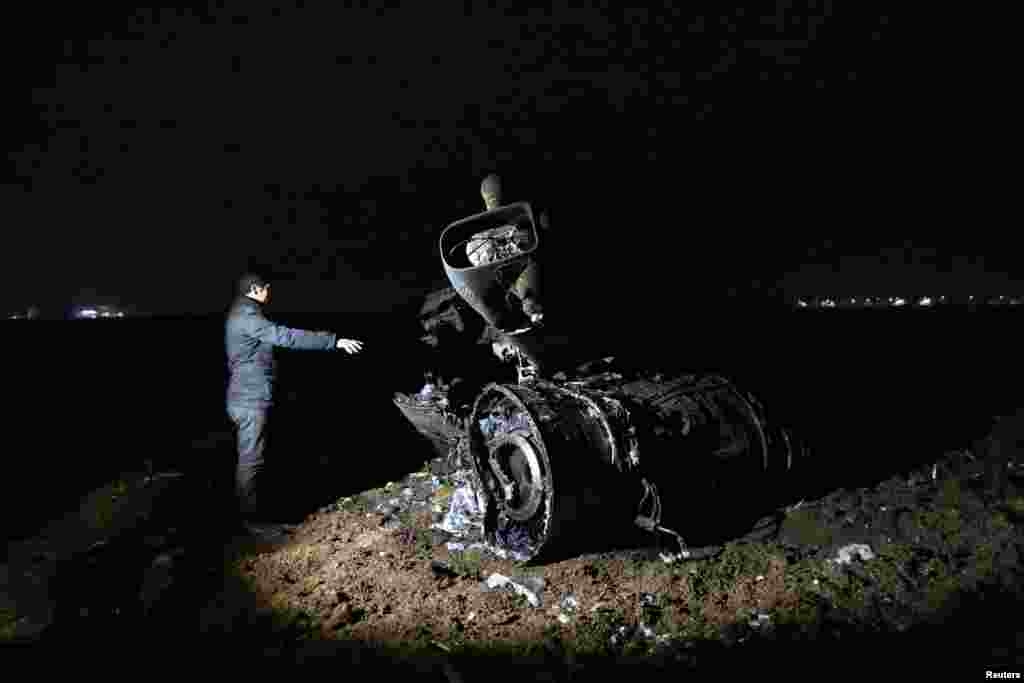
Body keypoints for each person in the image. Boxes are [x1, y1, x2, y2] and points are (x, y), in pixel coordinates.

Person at [225, 272, 363, 538]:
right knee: (251, 460)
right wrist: (333, 341)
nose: (269, 291)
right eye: (266, 287)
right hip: (249, 399)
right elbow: (284, 336)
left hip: (248, 395)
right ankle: (250, 522)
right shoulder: (246, 315)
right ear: (255, 289)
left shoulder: (245, 313)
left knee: (257, 457)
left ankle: (260, 515)